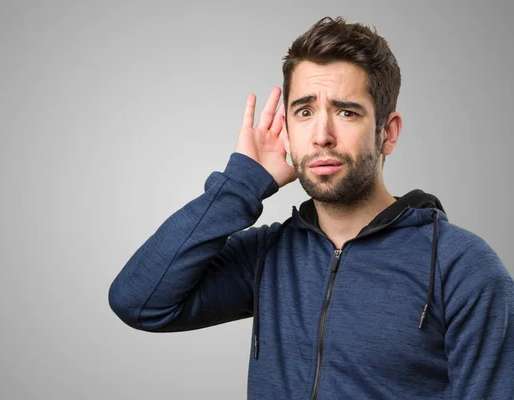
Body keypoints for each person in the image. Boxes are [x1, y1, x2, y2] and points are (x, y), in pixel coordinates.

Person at [109, 16, 514, 399]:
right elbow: (139, 301)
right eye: (304, 112)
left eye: (346, 111)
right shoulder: (269, 256)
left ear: (387, 133)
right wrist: (244, 184)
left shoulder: (461, 267)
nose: (322, 135)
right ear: (287, 130)